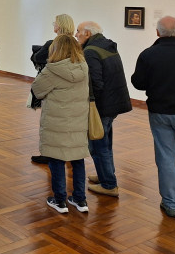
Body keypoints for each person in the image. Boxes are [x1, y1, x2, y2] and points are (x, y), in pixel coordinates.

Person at [131, 16, 175, 218]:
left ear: (158, 33)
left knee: (166, 159)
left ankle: (171, 203)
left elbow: (138, 83)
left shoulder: (148, 55)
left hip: (160, 114)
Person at [32, 35, 90, 214]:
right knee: (77, 159)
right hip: (78, 120)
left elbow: (37, 90)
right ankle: (80, 200)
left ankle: (60, 200)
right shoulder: (84, 67)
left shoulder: (52, 70)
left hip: (57, 121)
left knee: (56, 159)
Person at [75, 21, 132, 197]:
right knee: (105, 142)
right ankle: (105, 175)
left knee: (98, 145)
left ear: (87, 34)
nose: (76, 35)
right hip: (114, 102)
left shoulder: (91, 52)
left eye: (78, 32)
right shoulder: (107, 45)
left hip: (102, 105)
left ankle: (108, 184)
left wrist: (89, 106)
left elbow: (96, 84)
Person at [30, 14, 75, 165]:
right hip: (71, 88)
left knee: (50, 123)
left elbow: (37, 58)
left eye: (54, 23)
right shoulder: (76, 44)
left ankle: (49, 154)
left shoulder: (52, 43)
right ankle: (66, 153)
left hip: (53, 86)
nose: (53, 25)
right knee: (67, 123)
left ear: (60, 25)